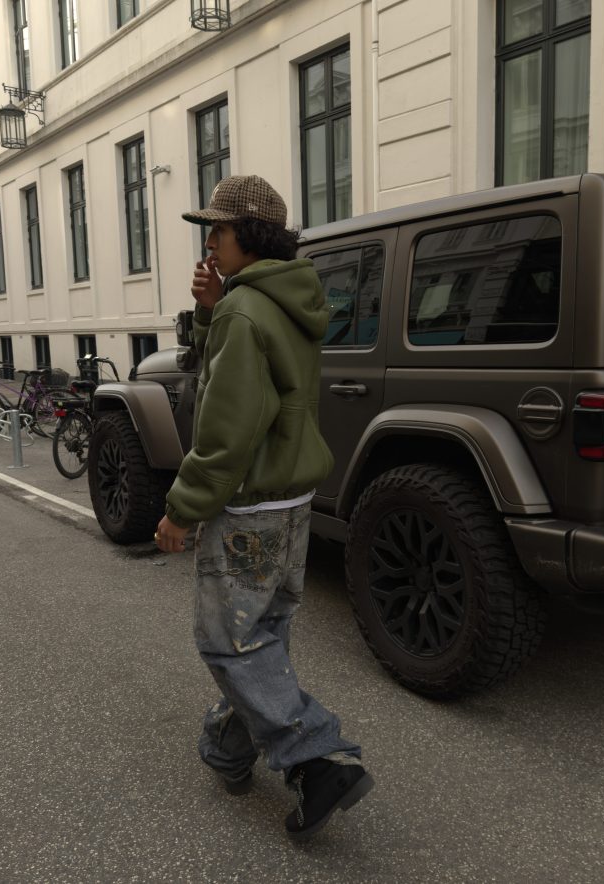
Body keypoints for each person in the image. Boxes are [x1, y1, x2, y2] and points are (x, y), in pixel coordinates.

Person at [154, 174, 373, 840]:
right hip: (293, 500)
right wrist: (210, 311)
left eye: (217, 231)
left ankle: (317, 757)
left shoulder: (245, 311)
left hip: (249, 508)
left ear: (247, 235)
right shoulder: (288, 298)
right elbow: (251, 378)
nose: (209, 244)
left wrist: (182, 510)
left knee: (228, 642)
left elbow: (227, 433)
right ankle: (227, 750)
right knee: (260, 637)